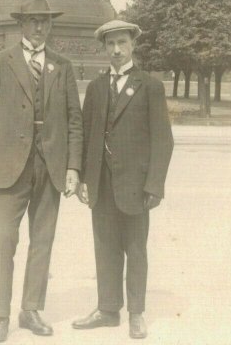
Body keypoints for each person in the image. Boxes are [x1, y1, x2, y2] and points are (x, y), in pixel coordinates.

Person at [0, 0, 83, 342]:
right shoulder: (0, 61)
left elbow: (73, 120)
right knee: (4, 242)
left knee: (43, 240)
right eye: (34, 20)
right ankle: (1, 315)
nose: (40, 27)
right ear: (21, 24)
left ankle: (31, 309)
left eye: (46, 20)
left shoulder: (62, 66)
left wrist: (72, 166)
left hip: (50, 166)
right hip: (10, 168)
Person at [72, 19, 174, 339]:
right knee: (105, 248)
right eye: (110, 44)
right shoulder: (97, 87)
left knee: (136, 249)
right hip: (101, 185)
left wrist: (154, 185)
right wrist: (86, 180)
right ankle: (107, 309)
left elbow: (163, 140)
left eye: (122, 44)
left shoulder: (150, 86)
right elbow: (88, 137)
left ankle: (136, 313)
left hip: (135, 187)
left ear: (132, 45)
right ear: (104, 48)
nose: (116, 50)